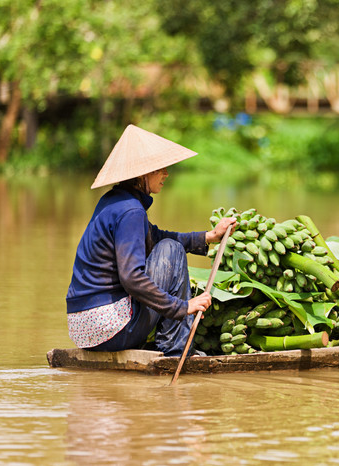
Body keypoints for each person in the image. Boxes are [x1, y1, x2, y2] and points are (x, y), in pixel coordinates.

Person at [65, 124, 236, 356]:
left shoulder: (113, 202)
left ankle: (162, 341)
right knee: (172, 250)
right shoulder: (131, 212)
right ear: (142, 174)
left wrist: (209, 237)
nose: (166, 173)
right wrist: (183, 308)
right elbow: (132, 278)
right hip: (108, 328)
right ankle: (175, 350)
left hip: (82, 328)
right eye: (160, 168)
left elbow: (154, 236)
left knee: (168, 245)